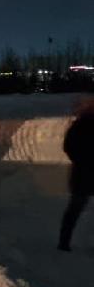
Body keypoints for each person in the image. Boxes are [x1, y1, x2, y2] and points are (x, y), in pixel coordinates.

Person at [58, 99, 94, 251]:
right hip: (83, 173)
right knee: (75, 208)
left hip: (82, 172)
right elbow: (69, 147)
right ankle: (64, 242)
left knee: (74, 209)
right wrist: (82, 160)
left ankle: (64, 242)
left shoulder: (78, 125)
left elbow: (69, 147)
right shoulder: (80, 125)